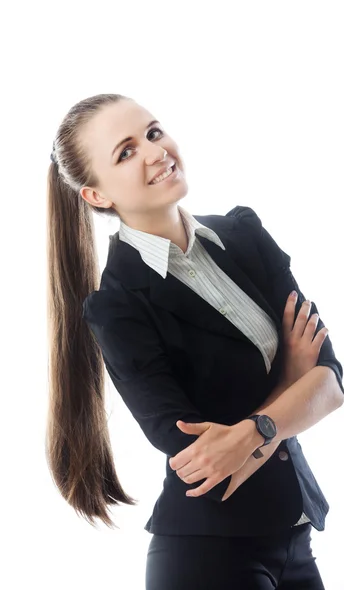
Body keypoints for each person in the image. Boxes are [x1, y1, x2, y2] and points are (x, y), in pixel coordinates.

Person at [45, 93, 344, 589]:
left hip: (295, 536)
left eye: (153, 132)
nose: (154, 151)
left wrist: (254, 426)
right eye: (125, 152)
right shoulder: (118, 306)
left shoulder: (245, 235)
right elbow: (198, 456)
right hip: (207, 555)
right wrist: (288, 390)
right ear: (97, 196)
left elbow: (331, 380)